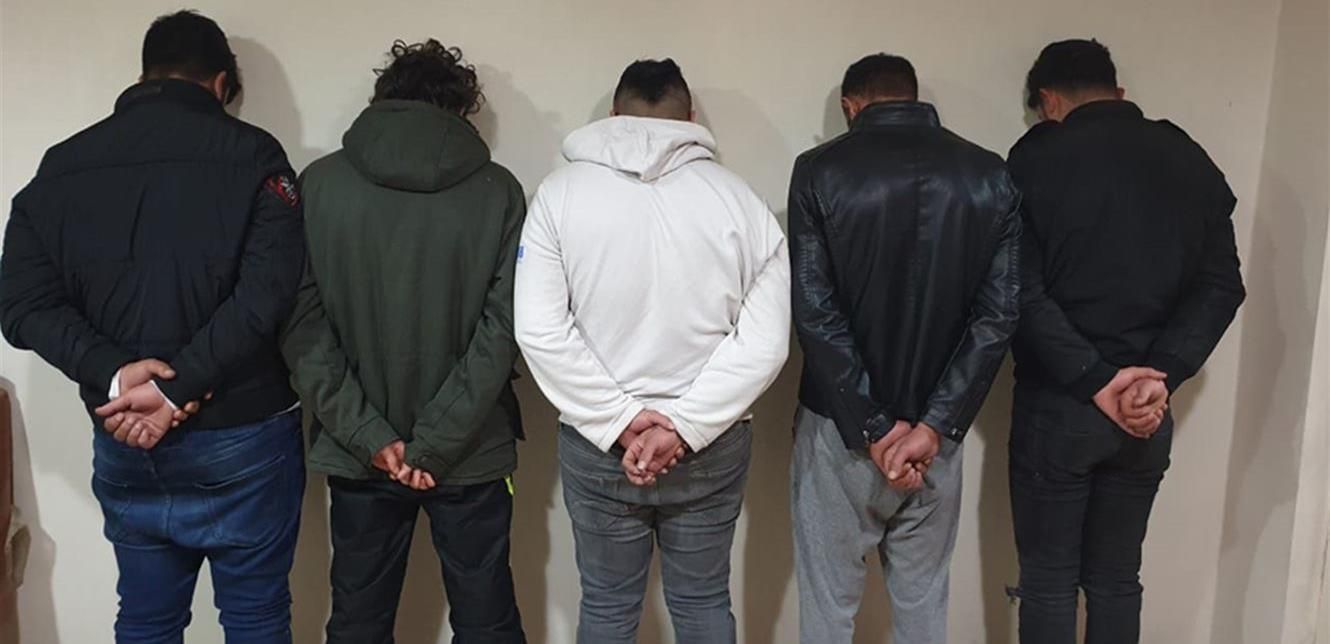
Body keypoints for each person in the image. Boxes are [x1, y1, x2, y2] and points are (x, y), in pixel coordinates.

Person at [0, 10, 306, 643]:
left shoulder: (62, 165)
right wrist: (175, 387)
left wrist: (116, 375)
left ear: (145, 77)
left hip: (125, 437)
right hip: (243, 435)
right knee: (255, 619)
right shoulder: (256, 155)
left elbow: (21, 304)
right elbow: (267, 295)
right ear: (221, 84)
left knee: (146, 621)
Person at [514, 58, 790, 644]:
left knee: (608, 607)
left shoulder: (558, 197)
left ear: (615, 114)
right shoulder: (742, 201)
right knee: (704, 602)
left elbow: (540, 331)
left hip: (600, 442)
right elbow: (765, 344)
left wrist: (621, 420)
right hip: (711, 442)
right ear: (690, 119)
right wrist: (683, 426)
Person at [280, 40, 527, 643]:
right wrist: (437, 442)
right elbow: (506, 329)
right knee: (487, 622)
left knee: (358, 624)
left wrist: (373, 436)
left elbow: (300, 324)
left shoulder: (319, 186)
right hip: (471, 452)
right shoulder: (498, 191)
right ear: (459, 109)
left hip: (359, 451)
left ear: (384, 101)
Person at [1006, 39, 1245, 644]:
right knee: (1115, 579)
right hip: (1146, 409)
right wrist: (1158, 374)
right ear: (1118, 93)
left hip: (1061, 403)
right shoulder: (1186, 156)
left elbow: (1019, 291)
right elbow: (1222, 285)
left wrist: (1095, 379)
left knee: (1049, 582)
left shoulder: (1037, 160)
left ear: (1048, 101)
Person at [788, 54, 1021, 644]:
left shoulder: (818, 171)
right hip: (935, 441)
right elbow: (997, 317)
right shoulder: (988, 175)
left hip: (839, 431)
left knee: (828, 611)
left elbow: (815, 312)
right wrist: (934, 426)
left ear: (851, 106)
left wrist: (873, 425)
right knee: (922, 607)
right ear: (914, 97)